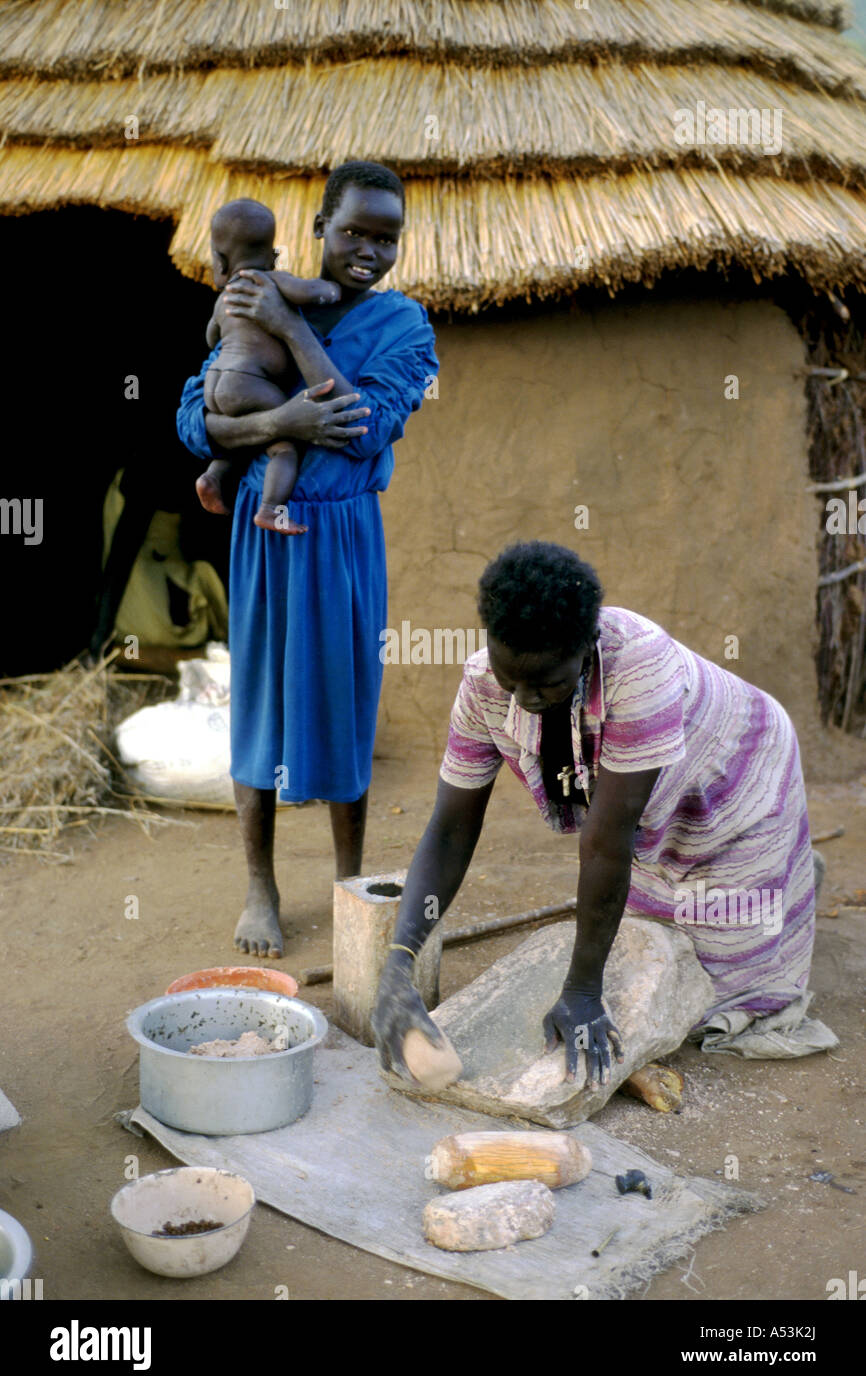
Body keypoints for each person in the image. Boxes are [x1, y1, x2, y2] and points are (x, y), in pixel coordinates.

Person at [373, 540, 818, 1091]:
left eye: (549, 683)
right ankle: (769, 875)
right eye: (514, 680)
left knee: (720, 984)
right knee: (652, 939)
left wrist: (582, 990)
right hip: (647, 812)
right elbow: (450, 826)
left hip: (740, 772)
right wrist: (399, 960)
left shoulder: (639, 669)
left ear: (587, 647)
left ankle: (775, 868)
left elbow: (607, 844)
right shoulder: (483, 685)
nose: (527, 700)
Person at [177, 160, 438, 957]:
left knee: (344, 699)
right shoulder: (255, 290)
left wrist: (293, 335)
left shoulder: (405, 327)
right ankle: (261, 886)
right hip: (264, 530)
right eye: (354, 230)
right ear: (320, 227)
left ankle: (350, 879)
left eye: (385, 237)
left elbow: (362, 425)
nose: (367, 249)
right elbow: (196, 415)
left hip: (345, 533)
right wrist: (280, 421)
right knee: (257, 699)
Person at [196, 197, 341, 535]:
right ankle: (270, 508)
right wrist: (329, 288)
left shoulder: (226, 296)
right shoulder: (273, 282)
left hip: (215, 385)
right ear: (272, 251)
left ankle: (212, 476)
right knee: (284, 445)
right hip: (249, 383)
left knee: (247, 432)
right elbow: (314, 292)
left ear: (219, 262)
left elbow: (210, 338)